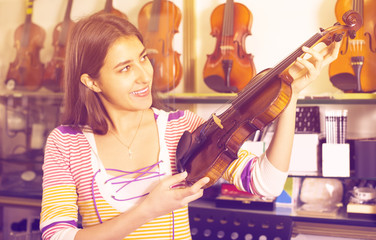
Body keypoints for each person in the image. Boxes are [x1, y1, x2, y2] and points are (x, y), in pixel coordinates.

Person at [39, 12, 341, 240]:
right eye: (125, 68)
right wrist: (148, 209)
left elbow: (266, 185)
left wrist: (290, 94)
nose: (144, 76)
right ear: (91, 81)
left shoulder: (181, 128)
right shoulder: (66, 143)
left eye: (143, 58)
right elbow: (57, 236)